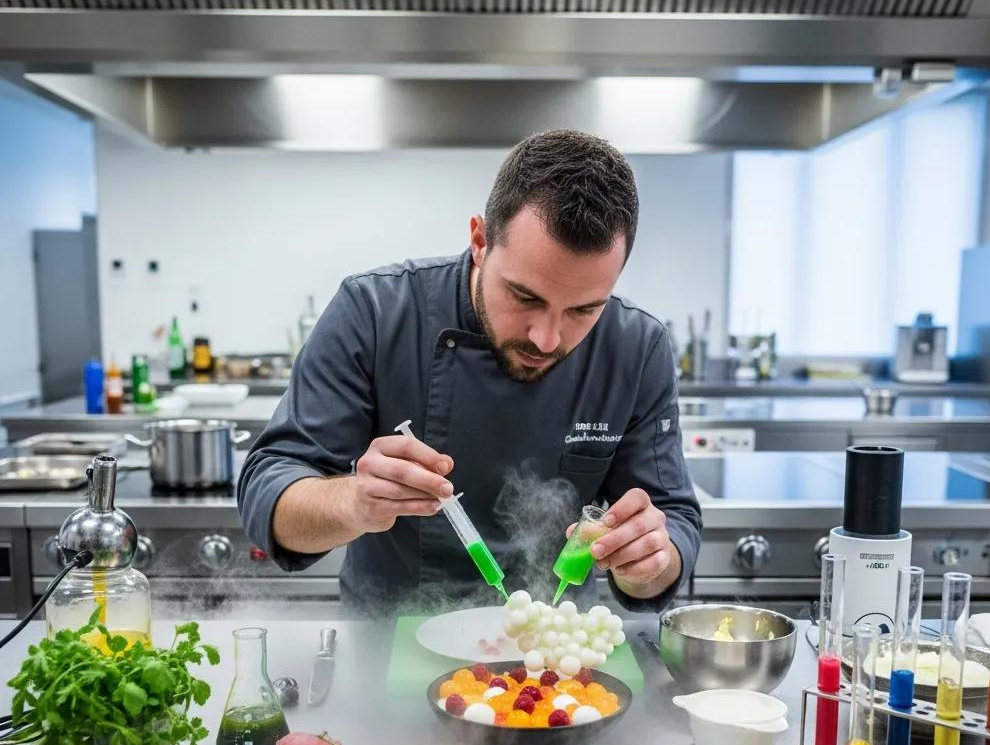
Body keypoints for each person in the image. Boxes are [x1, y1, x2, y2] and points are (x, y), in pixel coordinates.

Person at [238, 129, 702, 615]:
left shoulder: (637, 348)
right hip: (389, 644)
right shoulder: (374, 312)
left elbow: (673, 526)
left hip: (558, 656)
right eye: (525, 297)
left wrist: (652, 559)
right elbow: (269, 494)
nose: (547, 339)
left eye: (584, 310)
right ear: (480, 241)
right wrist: (354, 501)